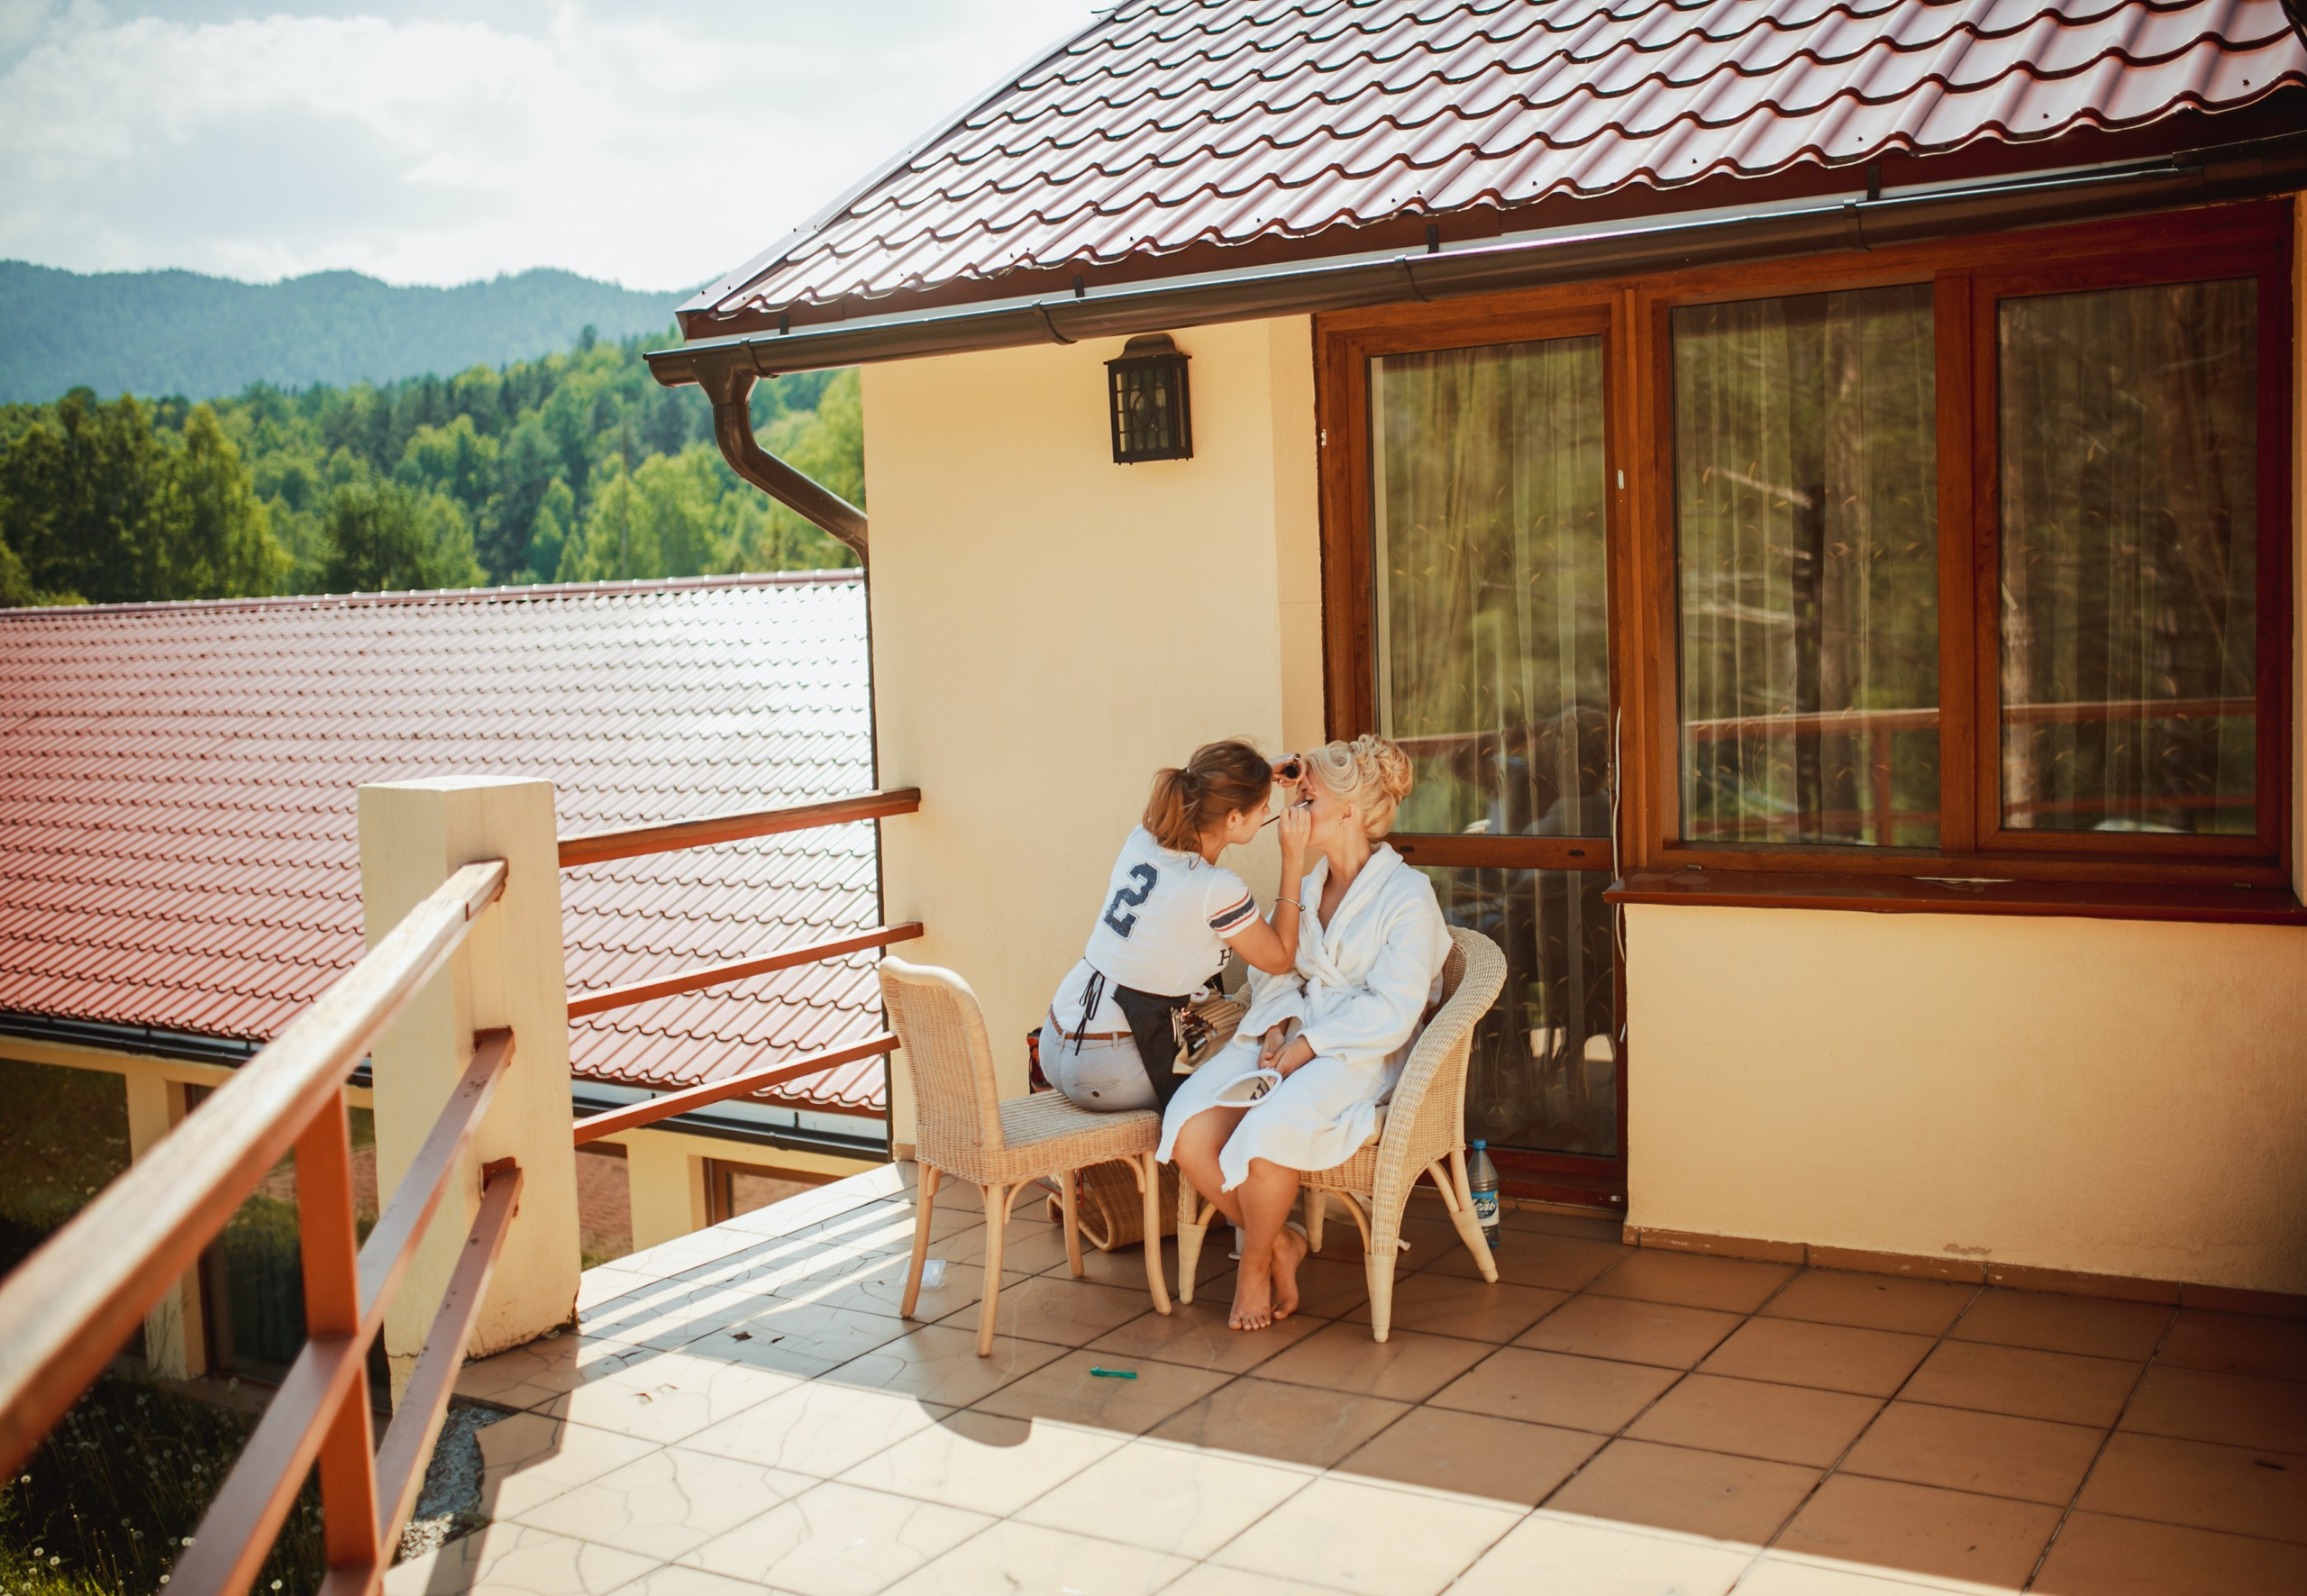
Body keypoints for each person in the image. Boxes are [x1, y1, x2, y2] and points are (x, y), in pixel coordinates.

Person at [1159, 734, 1448, 1331]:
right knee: (1186, 1130)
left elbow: (1395, 1008)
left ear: (1348, 811)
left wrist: (1311, 1043)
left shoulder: (1407, 895)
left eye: (1305, 798)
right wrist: (1284, 1021)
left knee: (1268, 1133)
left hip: (1361, 1051)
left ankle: (1253, 1266)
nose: (1291, 813)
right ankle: (1282, 1241)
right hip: (1296, 1032)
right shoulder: (1311, 885)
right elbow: (1279, 966)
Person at [1044, 740, 1310, 1114]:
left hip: (1057, 1037)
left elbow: (1207, 792)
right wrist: (1294, 858)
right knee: (1263, 1052)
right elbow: (1280, 958)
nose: (1269, 810)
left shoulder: (1143, 838)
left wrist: (1261, 774)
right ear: (1233, 819)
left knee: (1235, 1018)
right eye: (1263, 805)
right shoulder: (1216, 888)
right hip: (1106, 1070)